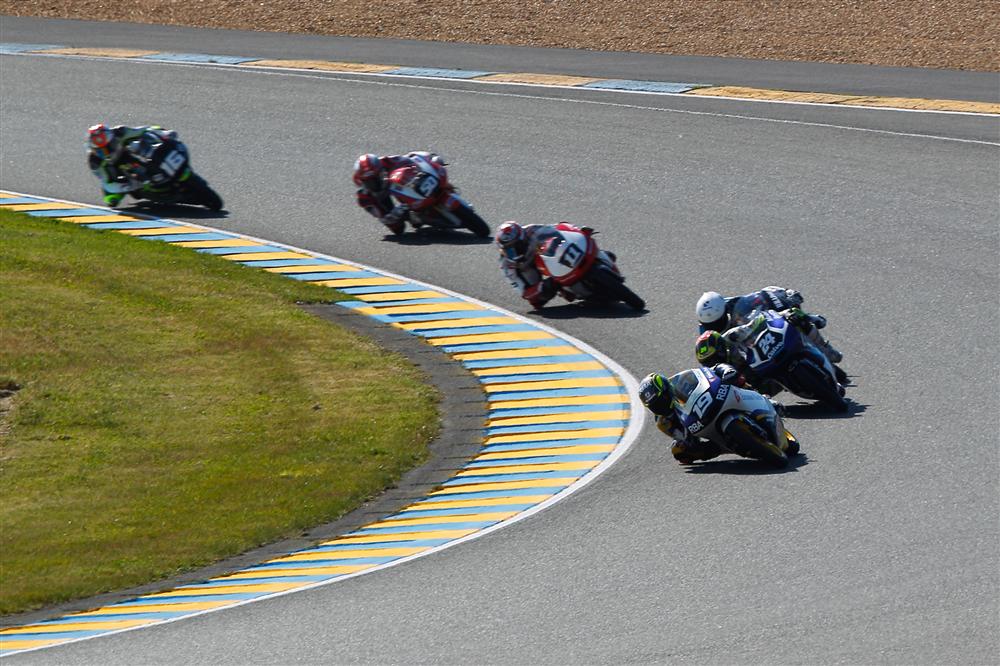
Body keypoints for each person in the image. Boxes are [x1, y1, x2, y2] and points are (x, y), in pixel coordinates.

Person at [695, 288, 843, 363]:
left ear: (724, 312)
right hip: (747, 355)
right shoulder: (706, 333)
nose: (714, 325)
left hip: (761, 330)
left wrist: (781, 298)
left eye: (717, 321)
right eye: (710, 324)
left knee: (796, 316)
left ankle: (825, 348)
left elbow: (759, 297)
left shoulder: (733, 304)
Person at [638, 366, 745, 465]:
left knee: (735, 377)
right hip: (700, 428)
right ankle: (724, 447)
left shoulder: (682, 380)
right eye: (654, 406)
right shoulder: (663, 423)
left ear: (666, 390)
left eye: (660, 401)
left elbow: (707, 372)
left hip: (710, 402)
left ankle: (753, 391)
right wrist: (686, 442)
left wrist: (725, 371)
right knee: (679, 451)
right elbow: (682, 437)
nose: (659, 407)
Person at [494, 220, 610, 309]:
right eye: (510, 250)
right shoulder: (506, 265)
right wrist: (540, 288)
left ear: (523, 237)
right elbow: (523, 292)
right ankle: (565, 288)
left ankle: (600, 257)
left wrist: (577, 231)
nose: (516, 251)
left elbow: (558, 228)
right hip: (529, 267)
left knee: (588, 242)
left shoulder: (531, 230)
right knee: (537, 302)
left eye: (518, 245)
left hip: (543, 255)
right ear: (503, 250)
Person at [352, 151, 446, 234]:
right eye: (369, 181)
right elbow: (386, 220)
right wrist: (396, 214)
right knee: (398, 228)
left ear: (381, 170)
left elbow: (410, 160)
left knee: (425, 158)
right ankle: (413, 214)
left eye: (376, 178)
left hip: (392, 181)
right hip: (382, 197)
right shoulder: (364, 198)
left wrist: (426, 165)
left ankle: (435, 191)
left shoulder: (387, 161)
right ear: (362, 181)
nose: (374, 183)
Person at [87, 123, 178, 207]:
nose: (107, 152)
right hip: (115, 168)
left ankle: (162, 141)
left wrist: (163, 134)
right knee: (111, 199)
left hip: (126, 151)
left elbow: (142, 130)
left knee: (140, 142)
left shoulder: (120, 132)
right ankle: (127, 190)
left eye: (109, 146)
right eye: (101, 150)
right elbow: (105, 180)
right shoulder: (94, 161)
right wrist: (126, 186)